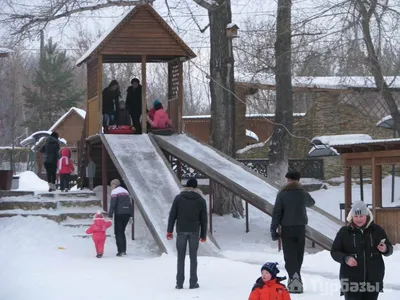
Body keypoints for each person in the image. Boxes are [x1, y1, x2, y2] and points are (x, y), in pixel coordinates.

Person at [330, 201, 393, 300]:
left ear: (367, 216)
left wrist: (385, 249)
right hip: (351, 281)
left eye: (361, 216)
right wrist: (346, 258)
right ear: (351, 217)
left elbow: (389, 249)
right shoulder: (344, 232)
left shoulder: (377, 230)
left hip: (373, 280)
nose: (358, 219)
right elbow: (334, 252)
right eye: (355, 216)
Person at [270, 170, 315, 293]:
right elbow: (311, 203)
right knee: (298, 255)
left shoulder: (282, 194)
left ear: (288, 180)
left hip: (287, 229)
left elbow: (277, 213)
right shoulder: (303, 193)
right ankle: (296, 279)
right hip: (300, 228)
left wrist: (273, 230)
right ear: (298, 180)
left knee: (290, 257)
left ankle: (294, 281)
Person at [167, 178, 207, 290]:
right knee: (193, 258)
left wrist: (169, 231)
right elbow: (204, 220)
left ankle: (179, 283)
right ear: (196, 187)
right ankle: (193, 283)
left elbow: (172, 215)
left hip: (181, 231)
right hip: (194, 231)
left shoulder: (178, 198)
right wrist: (203, 235)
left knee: (181, 257)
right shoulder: (201, 200)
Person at [107, 179, 132, 257]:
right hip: (127, 214)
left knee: (118, 232)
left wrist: (110, 216)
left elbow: (113, 205)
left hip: (119, 214)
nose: (111, 187)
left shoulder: (115, 192)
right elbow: (130, 204)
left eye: (111, 185)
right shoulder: (125, 191)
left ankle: (120, 251)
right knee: (122, 232)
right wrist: (131, 215)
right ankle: (124, 250)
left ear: (114, 184)